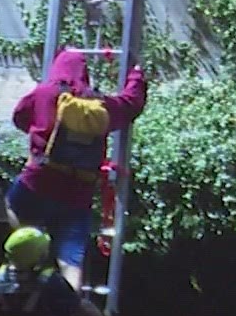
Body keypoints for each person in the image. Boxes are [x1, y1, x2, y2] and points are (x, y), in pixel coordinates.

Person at [8, 48, 148, 290]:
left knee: (13, 202)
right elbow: (131, 104)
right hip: (77, 195)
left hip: (38, 181)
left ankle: (31, 245)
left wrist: (39, 133)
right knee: (71, 258)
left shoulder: (42, 94)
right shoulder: (98, 104)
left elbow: (19, 117)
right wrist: (136, 74)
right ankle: (70, 297)